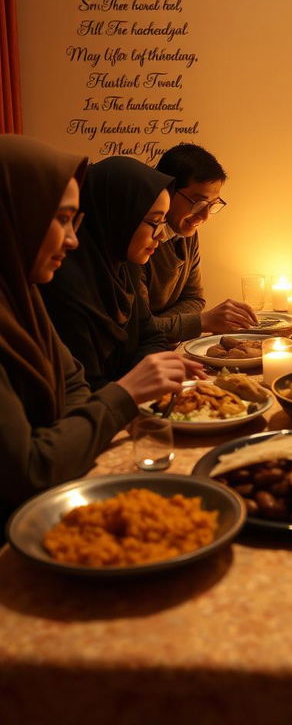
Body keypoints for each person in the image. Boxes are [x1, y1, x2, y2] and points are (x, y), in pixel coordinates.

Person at [0, 136, 204, 527]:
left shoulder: (21, 297)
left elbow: (76, 385)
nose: (73, 239)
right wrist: (124, 395)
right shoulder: (56, 289)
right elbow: (30, 470)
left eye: (75, 221)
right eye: (60, 220)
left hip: (63, 492)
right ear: (15, 215)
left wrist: (145, 379)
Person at [41, 155, 193, 390]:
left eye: (163, 222)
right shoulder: (62, 285)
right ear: (119, 215)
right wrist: (141, 379)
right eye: (154, 222)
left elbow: (152, 336)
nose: (161, 235)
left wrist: (150, 373)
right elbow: (85, 387)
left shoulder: (123, 265)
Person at [141, 143, 257, 342]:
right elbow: (138, 328)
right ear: (167, 190)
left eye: (212, 205)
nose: (204, 216)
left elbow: (194, 299)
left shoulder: (187, 233)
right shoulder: (139, 240)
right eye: (198, 202)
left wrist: (159, 323)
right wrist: (201, 321)